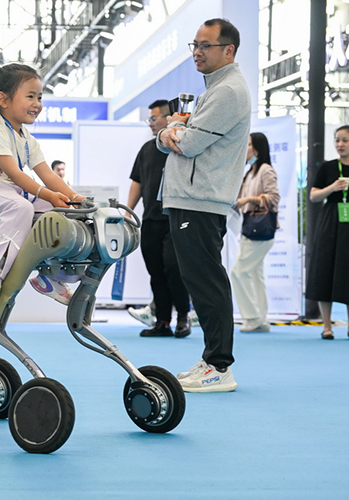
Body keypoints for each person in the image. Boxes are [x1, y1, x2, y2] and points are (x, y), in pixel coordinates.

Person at [157, 18, 250, 393]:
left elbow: (189, 143)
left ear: (228, 50)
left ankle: (219, 366)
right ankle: (213, 359)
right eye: (195, 45)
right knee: (201, 280)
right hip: (192, 198)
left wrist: (171, 131)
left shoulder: (228, 91)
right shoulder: (215, 89)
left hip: (201, 199)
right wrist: (172, 132)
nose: (197, 52)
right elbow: (173, 138)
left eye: (205, 46)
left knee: (207, 281)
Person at [0, 62, 83, 301]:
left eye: (39, 97)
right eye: (30, 96)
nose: (37, 103)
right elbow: (16, 174)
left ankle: (51, 276)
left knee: (59, 212)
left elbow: (48, 175)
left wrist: (75, 199)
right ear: (3, 99)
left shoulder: (27, 138)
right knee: (21, 208)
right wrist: (48, 195)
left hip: (10, 192)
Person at [127, 99, 192, 338]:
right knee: (156, 272)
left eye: (154, 118)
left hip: (175, 218)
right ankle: (162, 321)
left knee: (174, 269)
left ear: (168, 118)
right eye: (150, 119)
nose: (151, 123)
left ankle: (183, 317)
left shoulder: (182, 145)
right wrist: (127, 211)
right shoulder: (146, 149)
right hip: (151, 220)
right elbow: (137, 182)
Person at [306, 125, 349, 340]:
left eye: (345, 140)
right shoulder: (328, 167)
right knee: (324, 269)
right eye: (337, 140)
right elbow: (314, 196)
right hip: (329, 221)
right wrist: (332, 188)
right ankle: (327, 326)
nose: (340, 144)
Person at [231, 132, 280, 333]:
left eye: (250, 144)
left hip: (259, 228)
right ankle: (260, 318)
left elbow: (274, 197)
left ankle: (252, 317)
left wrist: (248, 200)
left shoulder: (265, 170)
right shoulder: (250, 171)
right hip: (249, 227)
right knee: (254, 273)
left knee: (239, 272)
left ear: (258, 148)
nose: (246, 148)